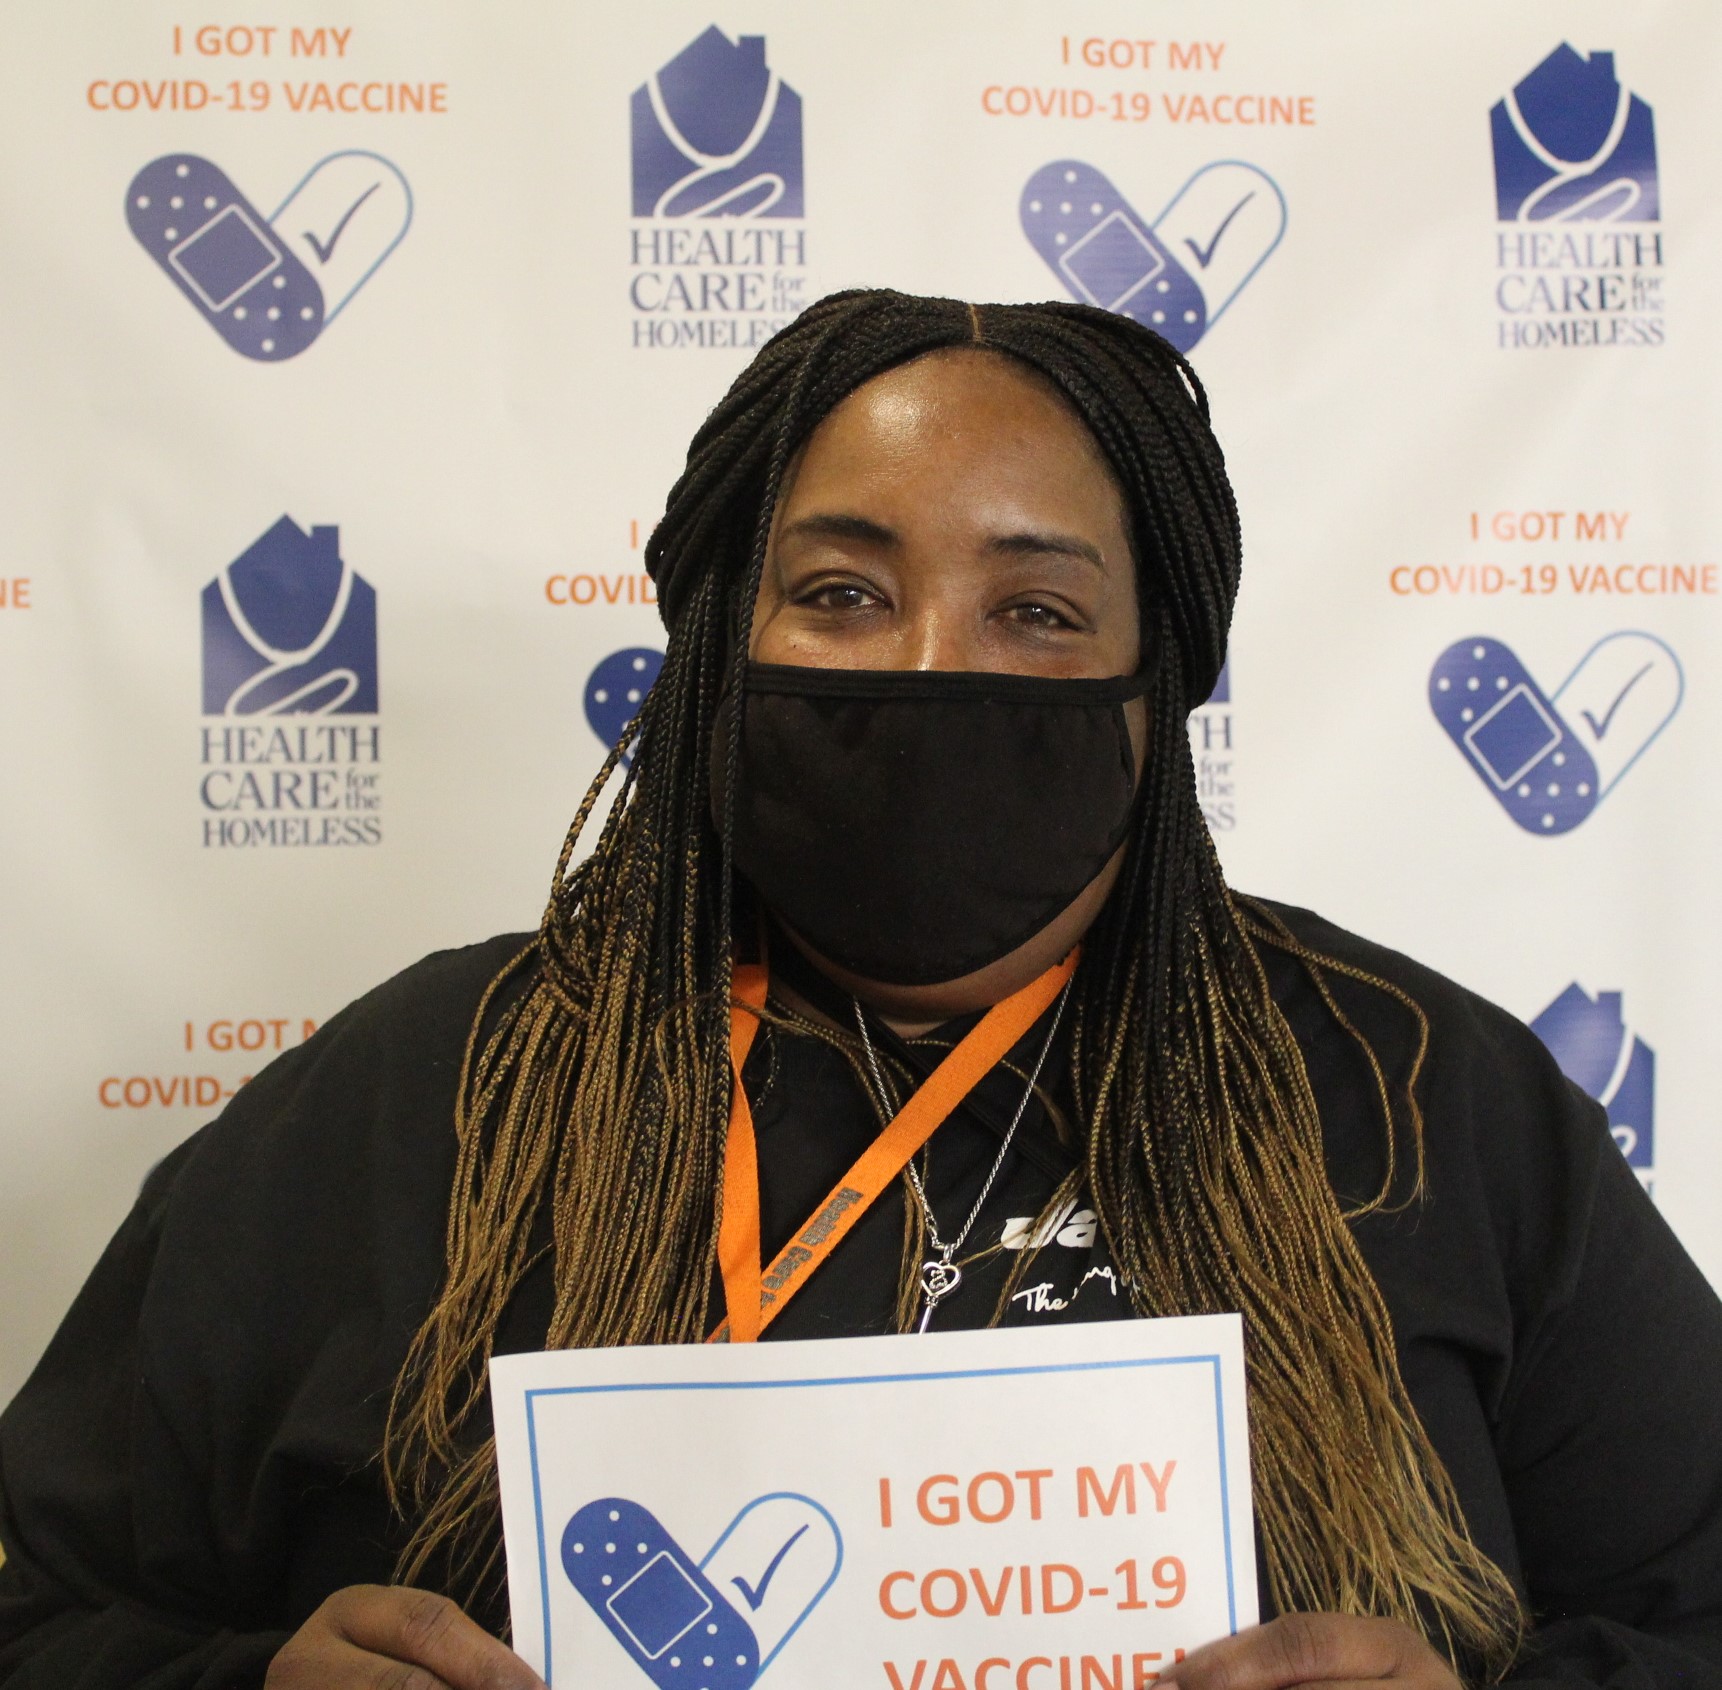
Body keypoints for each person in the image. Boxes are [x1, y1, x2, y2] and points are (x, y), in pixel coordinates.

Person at [2, 290, 1719, 1690]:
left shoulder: (1416, 1090)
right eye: (840, 593)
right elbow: (39, 1609)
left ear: (1157, 678)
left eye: (1035, 609)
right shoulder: (427, 1091)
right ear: (713, 642)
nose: (929, 668)